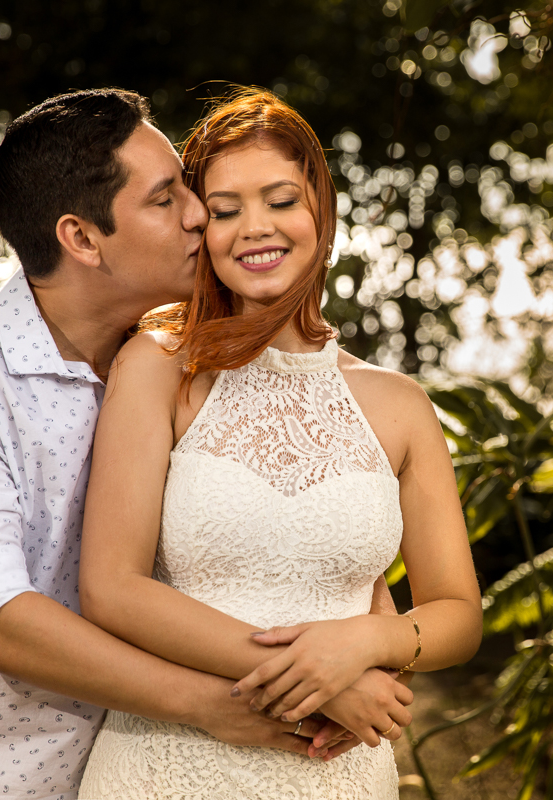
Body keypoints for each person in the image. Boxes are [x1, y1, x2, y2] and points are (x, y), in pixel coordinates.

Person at [0, 88, 407, 800]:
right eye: (164, 199)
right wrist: (225, 701)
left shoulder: (191, 365)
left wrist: (366, 636)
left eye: (188, 188)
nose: (198, 212)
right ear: (83, 239)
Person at [74, 88, 483, 798]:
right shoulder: (160, 366)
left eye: (281, 200)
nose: (254, 229)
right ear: (200, 229)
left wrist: (365, 643)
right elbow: (112, 589)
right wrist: (318, 680)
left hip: (340, 775)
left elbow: (457, 613)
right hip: (165, 768)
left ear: (321, 208)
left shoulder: (401, 406)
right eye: (225, 210)